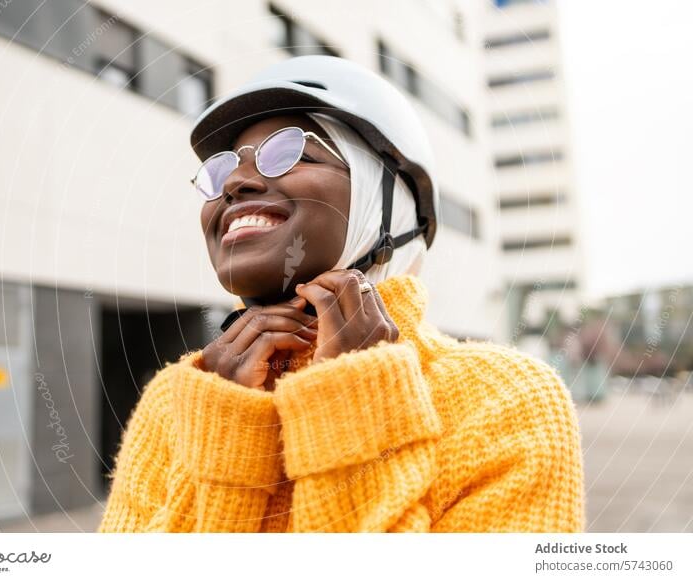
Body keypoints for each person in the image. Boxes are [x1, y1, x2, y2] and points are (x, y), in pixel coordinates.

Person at [98, 56, 585, 532]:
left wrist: (357, 405)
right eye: (222, 171)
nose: (237, 183)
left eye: (289, 152)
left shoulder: (505, 400)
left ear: (386, 206)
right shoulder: (175, 403)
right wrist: (226, 431)